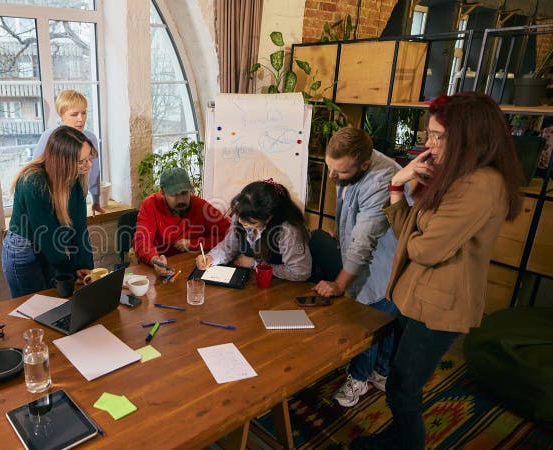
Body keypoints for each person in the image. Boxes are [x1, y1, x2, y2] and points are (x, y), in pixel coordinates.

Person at [351, 92, 522, 450]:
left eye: (438, 136)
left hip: (440, 308)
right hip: (417, 296)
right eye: (428, 134)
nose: (428, 144)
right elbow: (407, 236)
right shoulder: (454, 176)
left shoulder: (480, 184)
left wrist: (415, 217)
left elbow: (424, 250)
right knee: (399, 381)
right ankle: (397, 437)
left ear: (468, 135)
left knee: (403, 387)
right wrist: (399, 185)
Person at [314, 127, 403, 407]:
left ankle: (360, 378)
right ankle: (380, 372)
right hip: (363, 254)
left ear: (364, 164)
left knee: (365, 318)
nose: (332, 177)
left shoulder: (381, 180)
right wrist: (341, 233)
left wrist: (339, 284)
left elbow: (364, 243)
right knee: (382, 314)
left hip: (381, 259)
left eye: (339, 172)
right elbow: (347, 204)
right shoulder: (349, 166)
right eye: (330, 168)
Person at [3, 126, 95, 297]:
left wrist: (83, 264)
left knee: (55, 302)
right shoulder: (32, 182)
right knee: (33, 308)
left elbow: (80, 226)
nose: (89, 165)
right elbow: (47, 235)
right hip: (24, 250)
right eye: (81, 161)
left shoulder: (76, 177)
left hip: (50, 246)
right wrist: (70, 270)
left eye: (89, 158)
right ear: (62, 161)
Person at [196, 180, 312, 281]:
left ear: (268, 217)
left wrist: (254, 264)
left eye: (250, 222)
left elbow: (300, 272)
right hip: (252, 282)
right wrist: (212, 258)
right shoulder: (243, 214)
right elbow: (229, 246)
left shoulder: (288, 231)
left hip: (281, 289)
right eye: (239, 216)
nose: (240, 221)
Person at [134, 167, 231, 277]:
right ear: (162, 192)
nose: (180, 200)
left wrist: (193, 243)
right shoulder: (150, 205)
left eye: (184, 193)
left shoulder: (200, 206)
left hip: (193, 265)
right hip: (159, 268)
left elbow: (229, 235)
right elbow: (141, 241)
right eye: (174, 195)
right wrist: (155, 260)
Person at [32, 90, 104, 214]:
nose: (81, 119)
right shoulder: (49, 137)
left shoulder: (90, 138)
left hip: (78, 196)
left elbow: (94, 171)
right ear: (61, 115)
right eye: (74, 114)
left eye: (84, 113)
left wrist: (96, 199)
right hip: (51, 200)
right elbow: (35, 171)